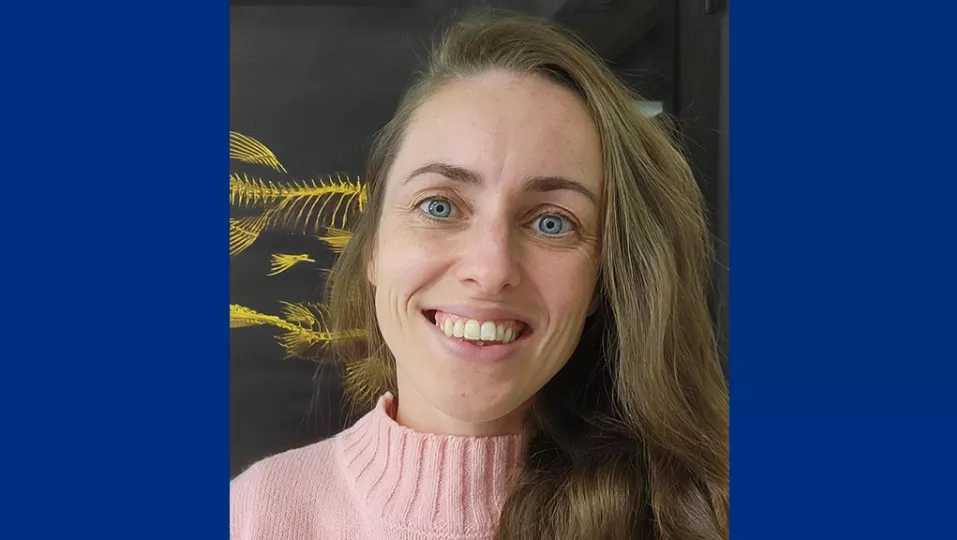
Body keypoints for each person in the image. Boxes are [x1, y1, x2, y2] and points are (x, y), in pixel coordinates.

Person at [230, 10, 729, 540]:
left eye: (552, 222)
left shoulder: (704, 514)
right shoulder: (253, 515)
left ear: (599, 283)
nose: (491, 270)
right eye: (440, 207)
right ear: (373, 245)